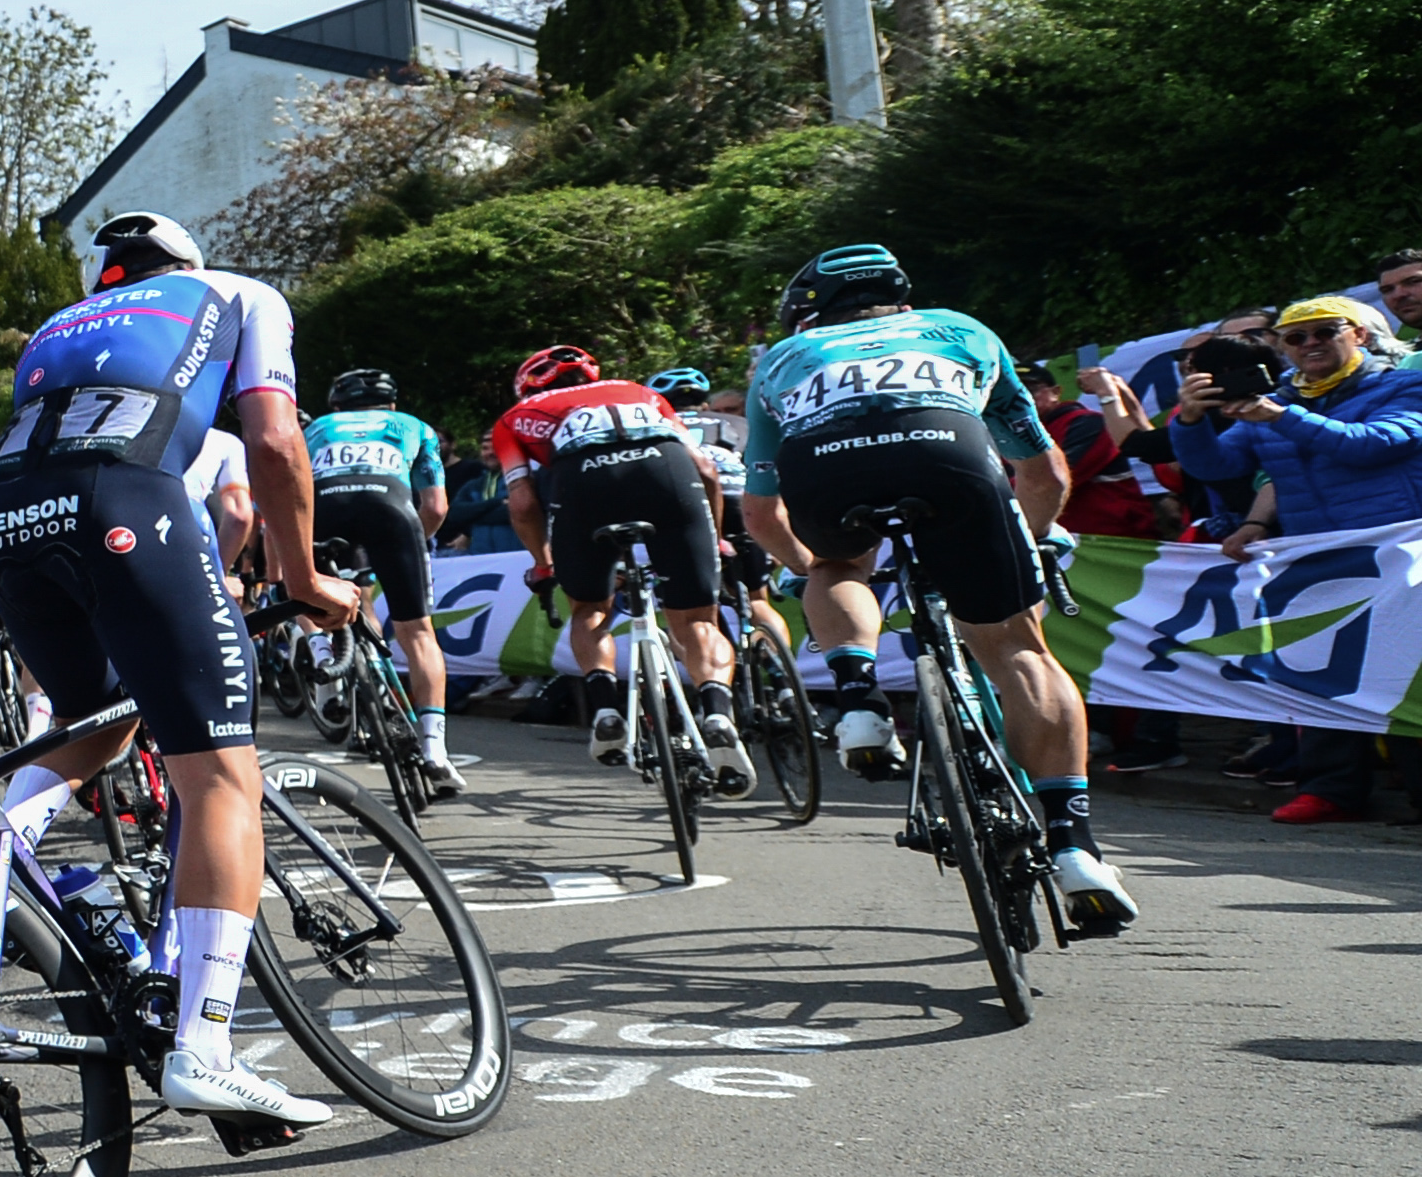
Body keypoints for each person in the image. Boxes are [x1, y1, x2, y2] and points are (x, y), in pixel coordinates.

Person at [0, 212, 364, 1132]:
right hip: (125, 501)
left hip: (5, 520)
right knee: (221, 771)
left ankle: (0, 853)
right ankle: (208, 1049)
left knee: (99, 719)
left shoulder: (53, 329)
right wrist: (300, 578)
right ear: (185, 263)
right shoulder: (236, 292)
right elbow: (269, 444)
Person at [737, 243, 1137, 925]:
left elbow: (758, 512)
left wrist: (814, 572)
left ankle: (859, 699)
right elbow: (1043, 474)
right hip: (945, 452)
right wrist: (1030, 541)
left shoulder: (781, 359)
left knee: (840, 566)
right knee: (1018, 648)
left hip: (828, 467)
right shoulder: (961, 329)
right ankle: (1074, 847)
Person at [1169, 290, 1422, 824]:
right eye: (1295, 337)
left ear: (1359, 335)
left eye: (1325, 331)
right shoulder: (1279, 396)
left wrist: (1280, 417)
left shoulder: (1403, 383)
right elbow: (1217, 466)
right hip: (1318, 562)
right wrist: (1189, 420)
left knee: (1406, 680)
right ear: (1281, 348)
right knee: (1321, 675)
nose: (1310, 343)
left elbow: (1371, 444)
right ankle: (1331, 790)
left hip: (1399, 560)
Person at [489, 345, 747, 782]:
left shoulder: (516, 417)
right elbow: (704, 469)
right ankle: (718, 712)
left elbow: (522, 501)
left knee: (590, 609)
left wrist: (543, 562)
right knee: (699, 621)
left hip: (582, 485)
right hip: (667, 475)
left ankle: (607, 708)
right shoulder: (640, 392)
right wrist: (717, 539)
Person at [303, 370, 463, 794]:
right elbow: (435, 505)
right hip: (391, 511)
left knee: (314, 596)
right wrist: (410, 545)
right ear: (391, 403)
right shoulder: (415, 426)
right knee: (418, 633)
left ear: (338, 406)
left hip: (325, 513)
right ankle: (434, 748)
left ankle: (323, 655)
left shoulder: (318, 427)